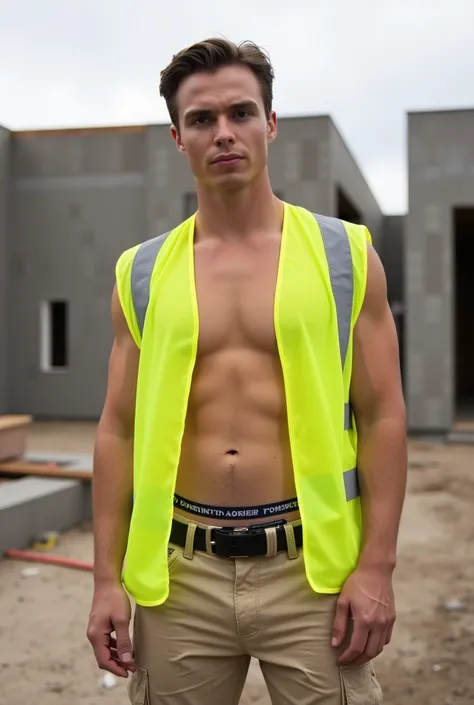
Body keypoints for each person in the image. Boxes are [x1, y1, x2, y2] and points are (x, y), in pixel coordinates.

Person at [87, 37, 407, 705]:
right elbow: (117, 428)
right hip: (182, 577)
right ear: (179, 137)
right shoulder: (140, 273)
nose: (223, 132)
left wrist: (376, 566)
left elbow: (383, 418)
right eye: (202, 119)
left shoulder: (345, 255)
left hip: (312, 573)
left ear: (271, 122)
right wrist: (105, 579)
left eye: (241, 112)